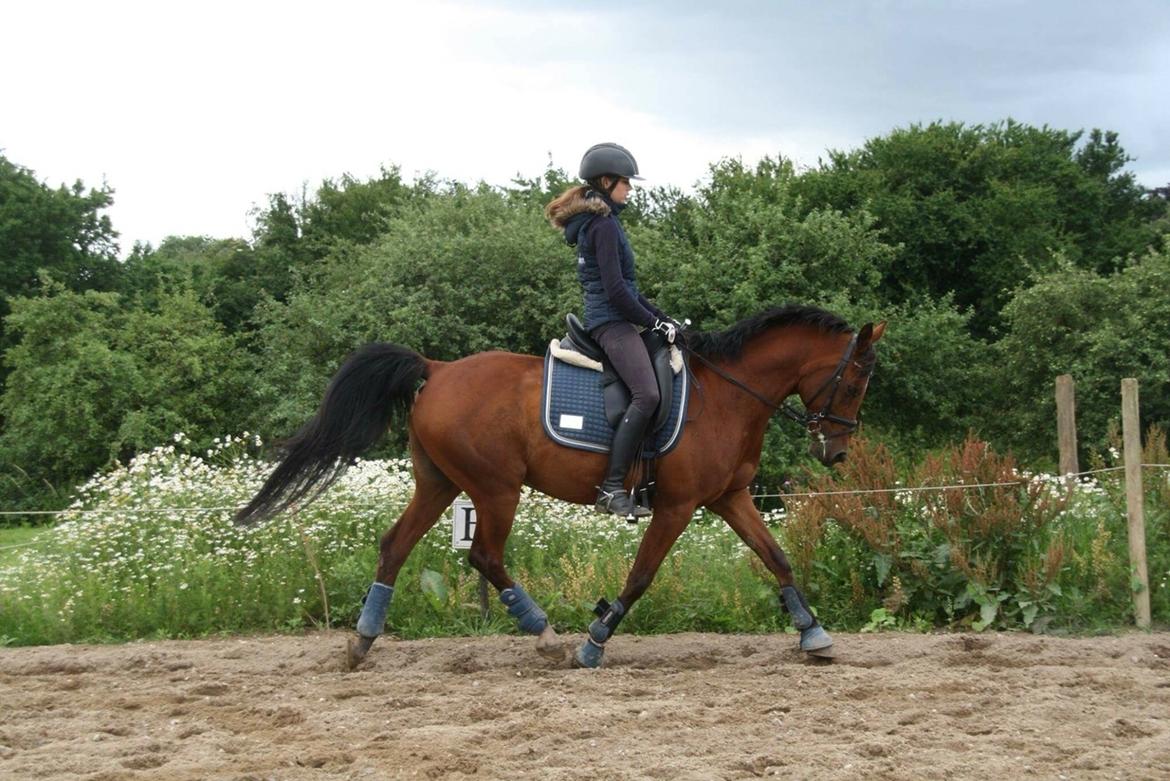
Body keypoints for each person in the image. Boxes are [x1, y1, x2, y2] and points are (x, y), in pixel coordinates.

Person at [545, 142, 681, 517]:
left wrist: (663, 318)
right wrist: (652, 321)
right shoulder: (603, 227)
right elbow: (618, 293)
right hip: (611, 324)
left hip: (618, 317)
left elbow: (630, 290)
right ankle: (611, 488)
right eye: (625, 182)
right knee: (647, 395)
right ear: (606, 182)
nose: (630, 189)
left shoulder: (606, 222)